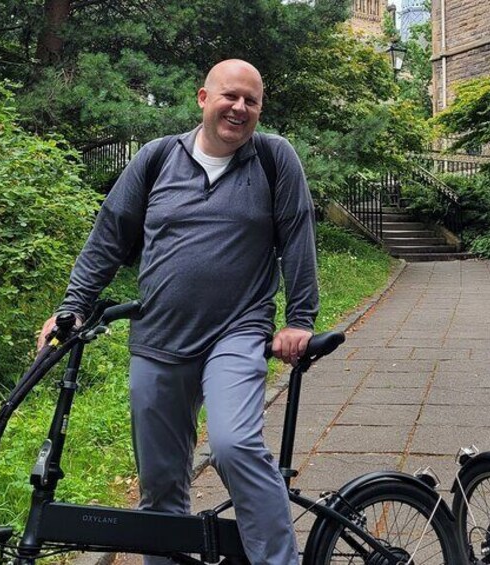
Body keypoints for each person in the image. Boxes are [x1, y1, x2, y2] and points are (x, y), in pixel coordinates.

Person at [37, 59, 318, 565]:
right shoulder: (156, 158)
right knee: (161, 484)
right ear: (203, 98)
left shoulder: (275, 159)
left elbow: (298, 237)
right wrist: (73, 308)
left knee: (233, 445)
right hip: (158, 338)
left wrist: (300, 319)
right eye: (230, 96)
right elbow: (108, 236)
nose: (240, 108)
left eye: (251, 101)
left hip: (238, 330)